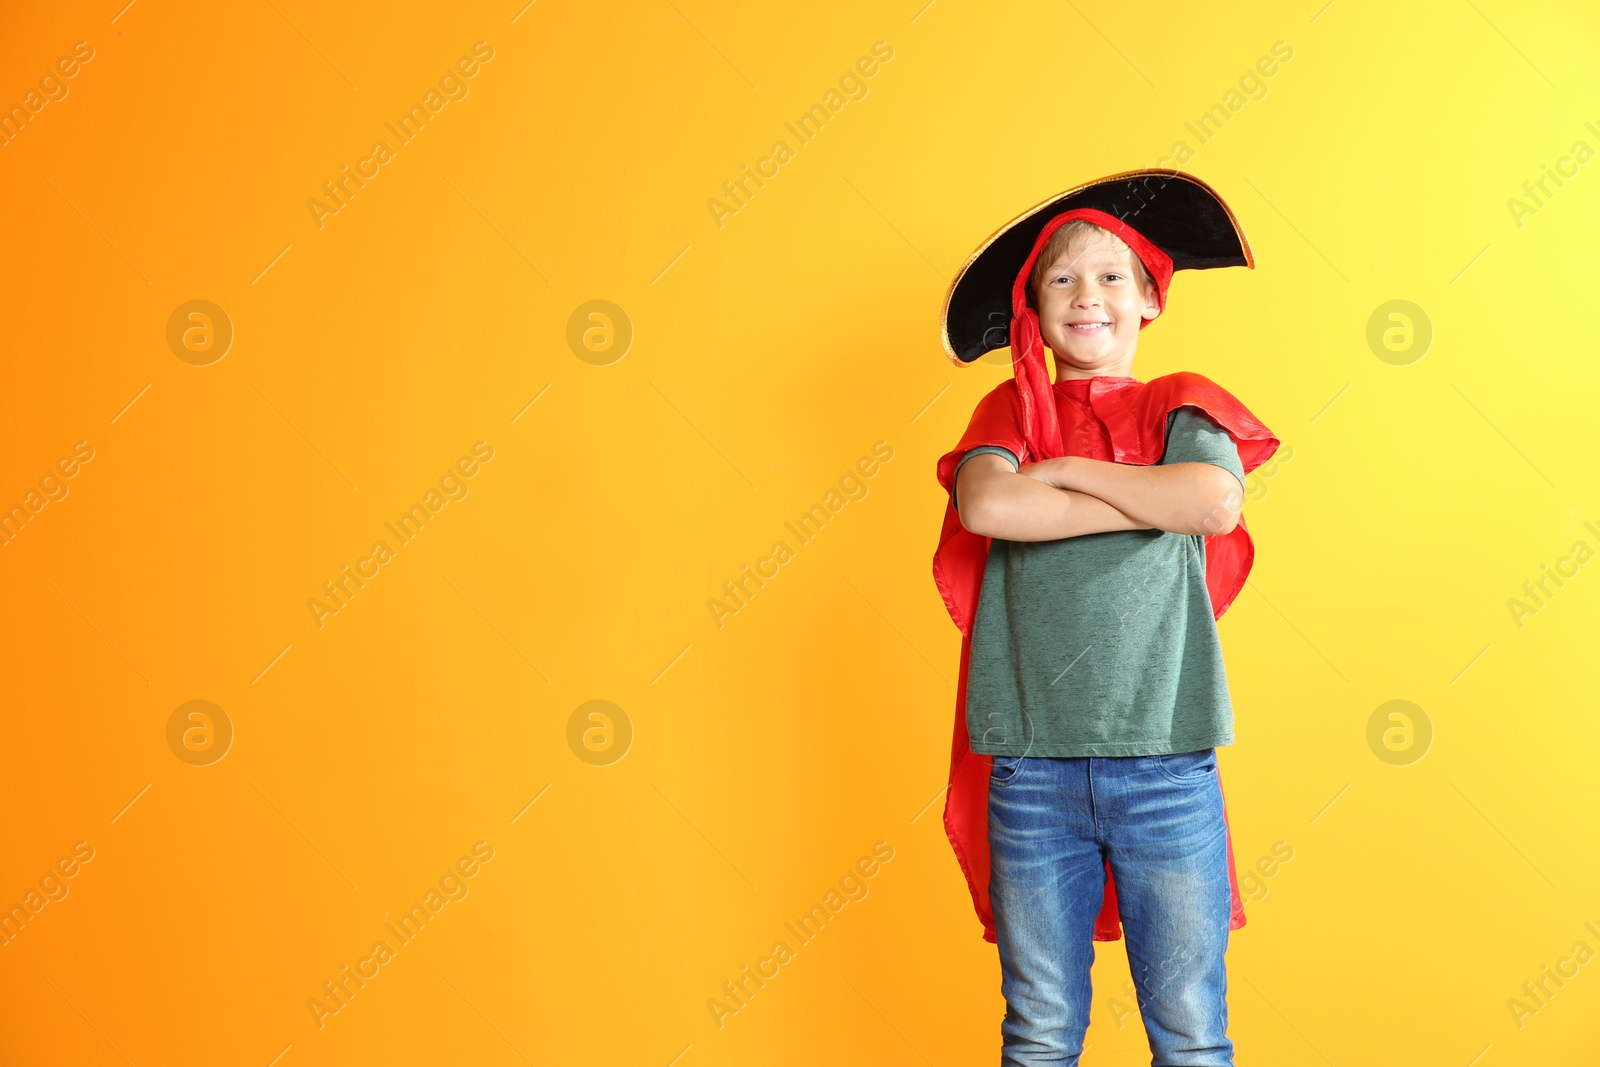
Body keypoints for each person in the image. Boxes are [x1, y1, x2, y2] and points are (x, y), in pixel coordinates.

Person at [930, 171, 1281, 1066]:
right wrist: (1141, 500)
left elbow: (1210, 501)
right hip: (1032, 770)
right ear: (1033, 307)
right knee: (1041, 1029)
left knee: (1191, 1034)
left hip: (1165, 763)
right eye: (1063, 280)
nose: (1089, 296)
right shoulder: (1010, 409)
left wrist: (1060, 473)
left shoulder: (1179, 403)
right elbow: (989, 511)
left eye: (1111, 276)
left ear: (1151, 297)